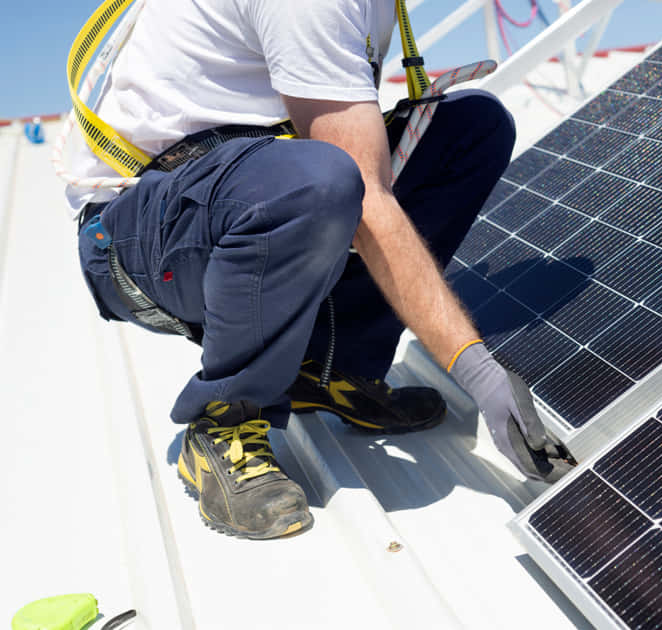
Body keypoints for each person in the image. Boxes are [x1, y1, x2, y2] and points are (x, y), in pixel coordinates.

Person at [68, 0, 558, 540]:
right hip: (134, 236)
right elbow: (363, 193)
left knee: (471, 128)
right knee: (323, 179)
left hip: (231, 192)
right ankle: (226, 419)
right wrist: (479, 373)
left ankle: (330, 368)